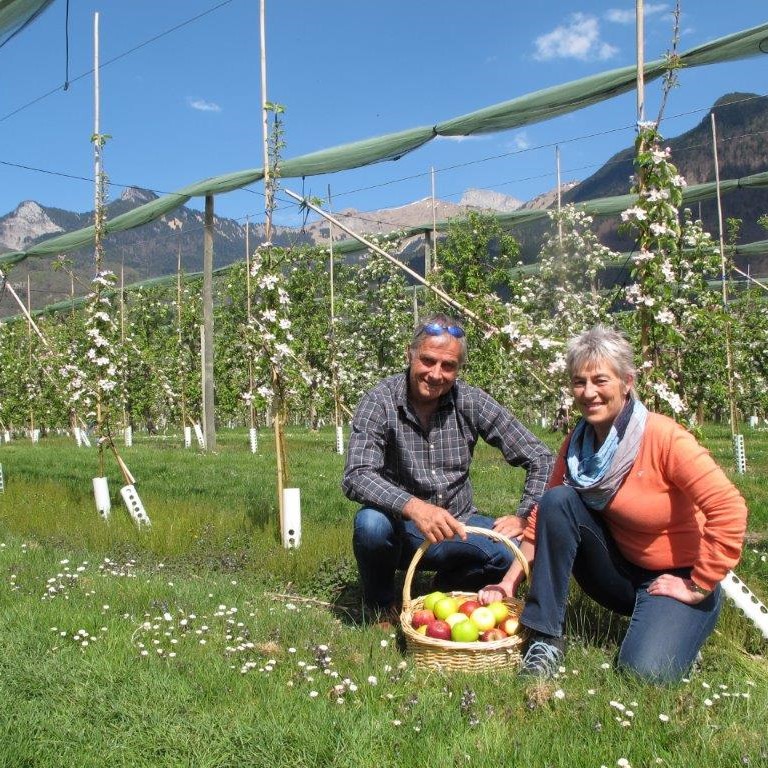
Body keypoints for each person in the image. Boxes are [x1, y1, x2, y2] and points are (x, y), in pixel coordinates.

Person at [480, 325, 748, 683]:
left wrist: (698, 583)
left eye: (600, 380)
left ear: (627, 382)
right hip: (621, 571)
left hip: (678, 574)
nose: (588, 392)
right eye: (579, 382)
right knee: (558, 499)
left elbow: (729, 507)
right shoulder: (577, 445)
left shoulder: (664, 437)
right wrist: (508, 582)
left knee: (644, 674)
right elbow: (542, 518)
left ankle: (682, 629)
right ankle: (545, 639)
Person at [342, 312, 554, 621]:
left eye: (448, 366)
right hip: (401, 529)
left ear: (458, 368)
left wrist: (525, 516)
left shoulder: (471, 401)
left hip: (459, 524)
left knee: (514, 550)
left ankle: (447, 589)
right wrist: (414, 507)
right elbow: (357, 475)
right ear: (410, 355)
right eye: (428, 361)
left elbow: (541, 457)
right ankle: (380, 604)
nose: (436, 373)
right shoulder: (380, 401)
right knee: (371, 526)